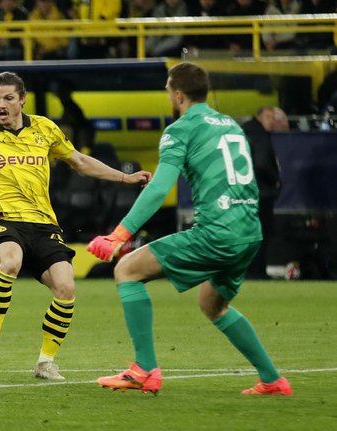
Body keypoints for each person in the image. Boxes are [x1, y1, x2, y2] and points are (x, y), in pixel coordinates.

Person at [0, 71, 151, 381]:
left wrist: (124, 177)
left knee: (66, 287)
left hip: (43, 224)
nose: (2, 105)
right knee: (10, 261)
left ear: (22, 99)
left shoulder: (45, 128)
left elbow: (79, 161)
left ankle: (45, 362)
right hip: (2, 220)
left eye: (9, 98)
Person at [87, 62, 292, 396]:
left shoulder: (180, 130)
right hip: (249, 231)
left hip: (218, 233)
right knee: (213, 304)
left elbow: (157, 188)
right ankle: (273, 380)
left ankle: (144, 369)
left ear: (177, 94)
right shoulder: (231, 125)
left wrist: (119, 235)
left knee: (127, 270)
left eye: (169, 92)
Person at [241, 106, 281, 279]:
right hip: (262, 193)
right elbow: (263, 162)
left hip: (243, 192)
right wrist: (275, 179)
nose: (272, 121)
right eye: (268, 117)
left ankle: (247, 270)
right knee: (262, 234)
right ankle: (258, 272)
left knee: (248, 234)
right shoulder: (260, 135)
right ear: (259, 117)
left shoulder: (243, 132)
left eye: (273, 117)